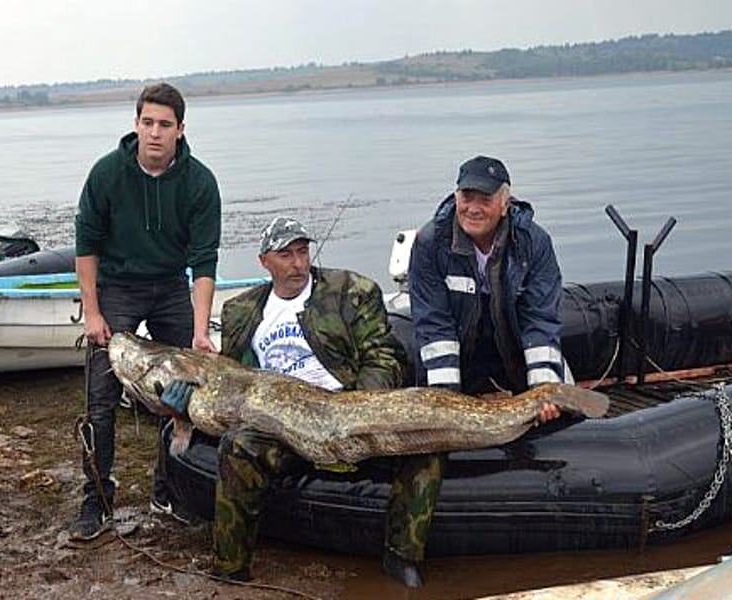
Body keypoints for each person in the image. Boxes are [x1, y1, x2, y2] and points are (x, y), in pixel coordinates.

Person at [161, 216, 442, 588]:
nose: (298, 263)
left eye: (302, 252)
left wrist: (356, 409)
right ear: (264, 261)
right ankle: (231, 566)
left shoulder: (352, 291)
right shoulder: (240, 311)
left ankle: (401, 554)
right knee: (238, 447)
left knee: (426, 447)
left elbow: (384, 356)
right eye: (286, 255)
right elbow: (233, 380)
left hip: (345, 408)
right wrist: (183, 404)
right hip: (278, 423)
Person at [69, 82, 221, 541]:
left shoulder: (200, 183)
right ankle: (97, 498)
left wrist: (199, 332)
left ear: (180, 129)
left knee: (184, 395)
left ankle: (168, 490)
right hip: (117, 286)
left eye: (165, 125)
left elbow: (204, 262)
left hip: (171, 287)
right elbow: (86, 246)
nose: (155, 133)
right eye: (147, 122)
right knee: (100, 398)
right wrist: (93, 313)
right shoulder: (106, 174)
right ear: (136, 124)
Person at [409, 155, 568, 420]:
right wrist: (445, 400)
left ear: (505, 204)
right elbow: (434, 325)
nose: (473, 208)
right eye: (467, 197)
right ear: (456, 197)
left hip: (513, 352)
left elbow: (540, 319)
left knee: (559, 409)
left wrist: (543, 388)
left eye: (485, 199)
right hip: (460, 358)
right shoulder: (430, 244)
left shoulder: (534, 242)